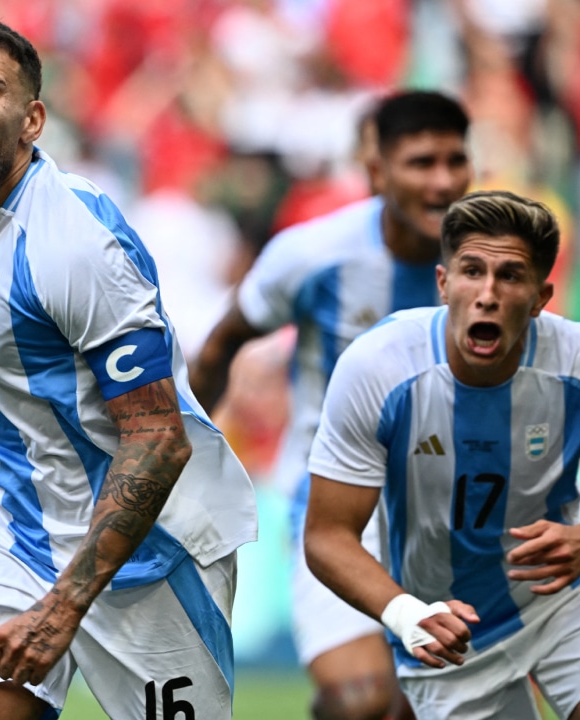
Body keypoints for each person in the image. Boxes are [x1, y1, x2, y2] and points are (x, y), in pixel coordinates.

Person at [0, 16, 258, 720]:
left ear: (32, 119)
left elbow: (158, 438)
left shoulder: (77, 246)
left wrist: (66, 605)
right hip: (16, 539)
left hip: (149, 558)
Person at [190, 90, 471, 719]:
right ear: (377, 171)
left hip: (458, 507)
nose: (442, 182)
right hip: (339, 505)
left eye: (456, 162)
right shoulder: (315, 255)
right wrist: (175, 458)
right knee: (360, 701)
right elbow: (220, 346)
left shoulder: (488, 259)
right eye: (421, 163)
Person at [305, 189, 580, 719]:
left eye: (510, 276)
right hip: (448, 628)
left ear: (540, 298)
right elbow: (326, 535)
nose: (487, 293)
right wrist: (404, 612)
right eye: (472, 271)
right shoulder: (379, 367)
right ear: (443, 283)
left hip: (564, 599)